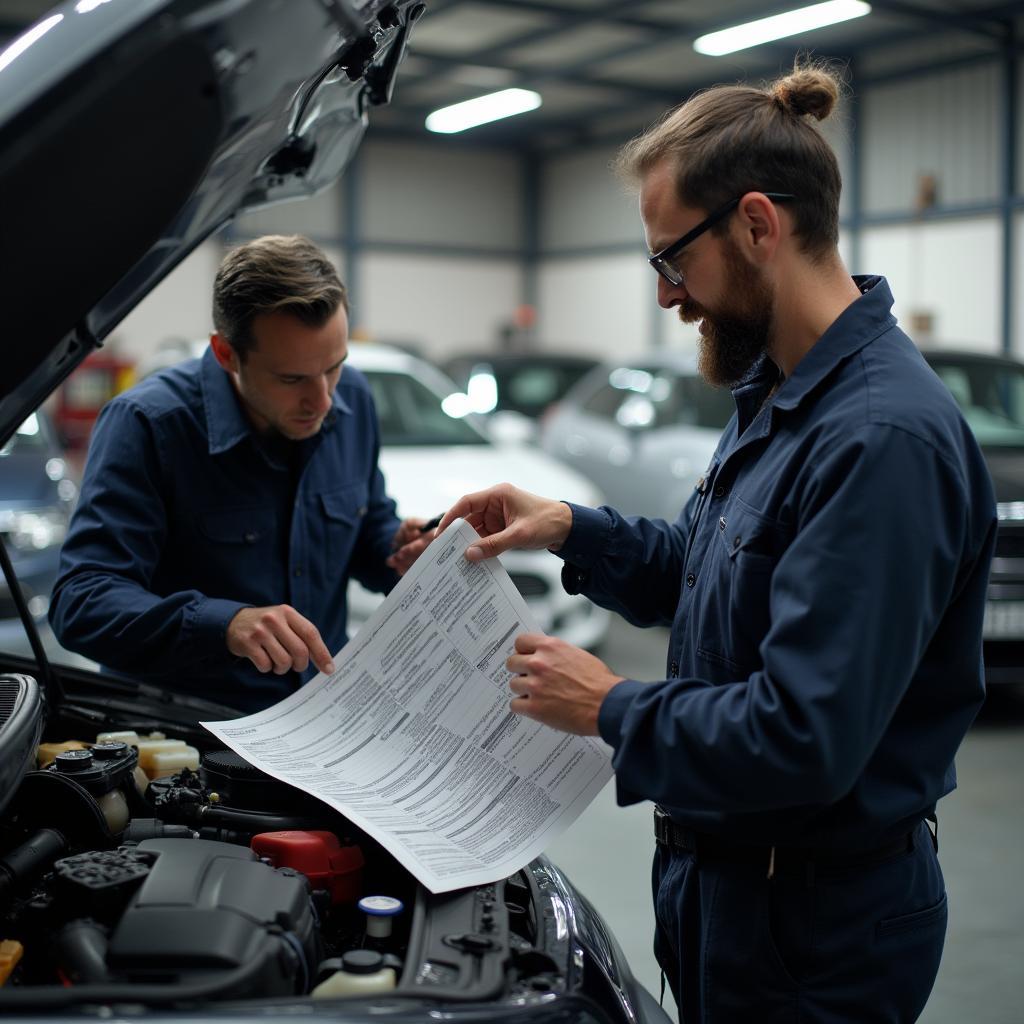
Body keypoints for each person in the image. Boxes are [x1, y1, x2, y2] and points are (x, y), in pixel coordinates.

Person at [416, 66, 997, 1022]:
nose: (668, 295)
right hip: (734, 896)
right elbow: (703, 570)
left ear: (759, 226)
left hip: (817, 929)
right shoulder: (778, 393)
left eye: (671, 261)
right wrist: (569, 525)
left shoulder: (878, 440)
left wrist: (612, 707)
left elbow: (803, 737)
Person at [50, 235, 430, 714]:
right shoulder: (148, 425)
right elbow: (82, 603)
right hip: (192, 729)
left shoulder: (352, 400)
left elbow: (366, 524)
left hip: (323, 713)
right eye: (292, 379)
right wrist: (223, 625)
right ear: (226, 354)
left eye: (334, 367)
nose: (324, 400)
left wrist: (397, 552)